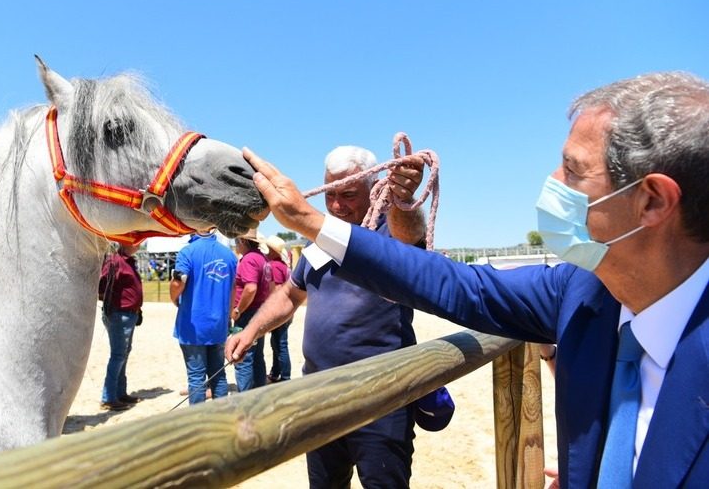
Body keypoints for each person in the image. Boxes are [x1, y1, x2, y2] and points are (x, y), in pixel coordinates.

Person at [235, 71, 709, 488]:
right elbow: (456, 285)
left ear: (651, 201)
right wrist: (311, 223)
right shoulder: (582, 294)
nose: (551, 181)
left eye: (573, 169)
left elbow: (409, 248)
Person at [230, 145, 439, 489]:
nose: (337, 205)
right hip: (321, 397)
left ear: (375, 187)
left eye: (348, 194)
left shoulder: (390, 233)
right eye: (331, 194)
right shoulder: (319, 244)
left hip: (380, 396)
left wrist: (404, 196)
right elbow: (289, 295)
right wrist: (250, 330)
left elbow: (411, 234)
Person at [169, 232, 237, 405]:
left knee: (196, 377)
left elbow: (178, 281)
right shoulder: (229, 255)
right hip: (218, 323)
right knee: (218, 375)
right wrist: (228, 315)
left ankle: (198, 420)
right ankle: (221, 414)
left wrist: (174, 298)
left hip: (193, 324)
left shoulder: (188, 252)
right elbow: (233, 289)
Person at [98, 243, 144, 411]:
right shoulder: (114, 261)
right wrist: (112, 301)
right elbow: (102, 284)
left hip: (129, 313)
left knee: (123, 354)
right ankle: (109, 397)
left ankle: (119, 392)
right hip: (120, 314)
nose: (138, 244)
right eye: (136, 242)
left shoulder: (127, 261)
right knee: (118, 355)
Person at [231, 228, 273, 391]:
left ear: (242, 242)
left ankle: (245, 395)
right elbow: (271, 286)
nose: (236, 246)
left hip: (248, 312)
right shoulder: (263, 258)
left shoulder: (248, 259)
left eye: (237, 242)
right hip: (259, 310)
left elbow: (250, 288)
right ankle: (259, 390)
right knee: (257, 355)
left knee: (243, 356)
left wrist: (238, 309)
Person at [264, 235, 292, 383]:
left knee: (280, 344)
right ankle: (276, 373)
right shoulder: (283, 265)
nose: (267, 252)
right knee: (278, 342)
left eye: (269, 249)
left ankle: (285, 377)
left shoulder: (274, 266)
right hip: (287, 308)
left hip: (279, 309)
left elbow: (277, 289)